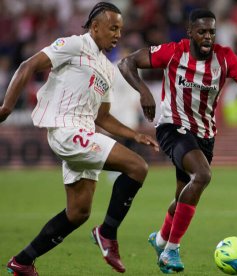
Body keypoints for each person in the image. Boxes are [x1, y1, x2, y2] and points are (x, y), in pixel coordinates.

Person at [0, 2, 159, 275]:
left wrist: (134, 134)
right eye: (112, 28)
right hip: (67, 131)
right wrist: (5, 108)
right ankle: (107, 233)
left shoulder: (107, 69)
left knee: (78, 213)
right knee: (137, 167)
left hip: (86, 132)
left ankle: (23, 262)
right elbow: (28, 66)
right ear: (95, 27)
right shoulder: (74, 45)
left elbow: (103, 117)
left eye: (120, 29)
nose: (118, 34)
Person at [118, 9, 237, 274]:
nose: (207, 37)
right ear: (190, 32)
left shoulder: (225, 58)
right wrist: (144, 92)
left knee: (183, 195)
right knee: (202, 175)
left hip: (205, 134)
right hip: (173, 126)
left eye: (212, 32)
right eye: (202, 31)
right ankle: (171, 251)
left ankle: (159, 240)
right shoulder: (173, 52)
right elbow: (127, 63)